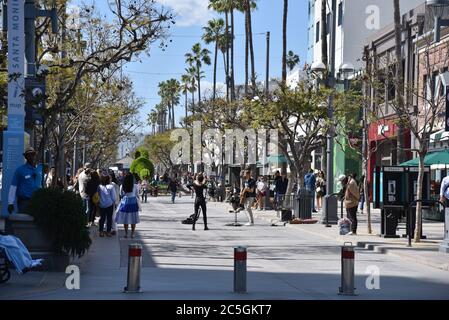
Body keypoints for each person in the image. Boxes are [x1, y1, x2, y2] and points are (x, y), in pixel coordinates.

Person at [8, 147, 40, 214]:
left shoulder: (37, 170)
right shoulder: (20, 170)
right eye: (29, 155)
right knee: (23, 222)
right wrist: (10, 203)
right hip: (24, 202)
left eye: (33, 154)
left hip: (36, 201)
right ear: (26, 157)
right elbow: (13, 186)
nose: (31, 157)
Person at [115, 173, 140, 238]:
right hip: (133, 202)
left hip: (125, 202)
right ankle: (132, 234)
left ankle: (126, 233)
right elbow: (137, 194)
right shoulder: (135, 186)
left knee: (125, 218)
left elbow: (121, 194)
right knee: (133, 218)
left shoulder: (122, 186)